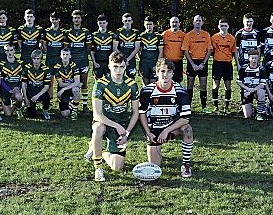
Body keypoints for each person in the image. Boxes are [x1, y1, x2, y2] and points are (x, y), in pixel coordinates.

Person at [139, 58, 194, 178]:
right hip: (154, 131)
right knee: (155, 168)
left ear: (173, 74)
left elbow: (185, 118)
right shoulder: (147, 90)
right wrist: (148, 133)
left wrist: (166, 130)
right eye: (162, 71)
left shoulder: (180, 91)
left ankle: (186, 164)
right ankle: (157, 151)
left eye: (169, 71)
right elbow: (142, 113)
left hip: (171, 128)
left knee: (187, 129)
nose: (165, 75)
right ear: (157, 72)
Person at [89, 52, 139, 182]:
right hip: (104, 121)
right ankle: (98, 167)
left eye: (121, 67)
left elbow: (135, 112)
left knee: (117, 167)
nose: (118, 70)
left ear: (125, 67)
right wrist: (116, 126)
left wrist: (126, 133)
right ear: (109, 66)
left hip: (122, 123)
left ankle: (99, 150)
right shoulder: (100, 84)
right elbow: (97, 114)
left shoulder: (132, 85)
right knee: (98, 129)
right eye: (115, 66)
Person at [181, 14, 212, 112]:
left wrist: (203, 63)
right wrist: (192, 64)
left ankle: (204, 107)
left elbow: (209, 51)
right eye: (196, 21)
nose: (198, 22)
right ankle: (188, 107)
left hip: (202, 61)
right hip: (192, 62)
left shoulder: (206, 34)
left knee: (203, 85)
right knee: (190, 85)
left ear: (202, 23)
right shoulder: (188, 35)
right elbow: (185, 51)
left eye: (200, 21)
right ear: (193, 22)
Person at [64, 10, 92, 112]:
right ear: (72, 19)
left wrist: (83, 55)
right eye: (75, 18)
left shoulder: (86, 32)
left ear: (81, 19)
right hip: (72, 62)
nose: (76, 19)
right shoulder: (68, 33)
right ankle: (72, 104)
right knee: (71, 82)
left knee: (84, 82)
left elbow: (88, 48)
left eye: (78, 18)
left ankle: (85, 105)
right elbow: (66, 48)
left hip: (83, 61)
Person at [210, 18, 236, 113]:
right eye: (222, 26)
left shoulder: (232, 38)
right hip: (217, 64)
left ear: (228, 26)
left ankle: (227, 106)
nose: (223, 27)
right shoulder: (214, 37)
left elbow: (234, 52)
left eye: (225, 25)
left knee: (228, 85)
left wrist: (236, 63)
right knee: (215, 85)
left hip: (227, 64)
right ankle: (216, 106)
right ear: (218, 26)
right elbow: (211, 51)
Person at [236, 49, 267, 121]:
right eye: (252, 58)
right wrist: (247, 89)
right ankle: (252, 109)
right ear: (248, 58)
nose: (254, 60)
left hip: (255, 91)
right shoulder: (243, 68)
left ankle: (259, 113)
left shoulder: (261, 69)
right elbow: (239, 82)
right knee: (247, 116)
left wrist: (251, 91)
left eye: (256, 58)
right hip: (246, 91)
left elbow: (262, 84)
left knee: (261, 92)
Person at [22, 49, 52, 120]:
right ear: (32, 59)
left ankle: (45, 110)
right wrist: (25, 99)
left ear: (41, 59)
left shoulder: (46, 69)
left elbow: (47, 86)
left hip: (40, 92)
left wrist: (37, 96)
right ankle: (29, 106)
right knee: (32, 115)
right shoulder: (27, 68)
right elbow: (23, 84)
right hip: (30, 92)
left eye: (38, 59)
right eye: (34, 58)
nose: (36, 61)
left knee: (47, 97)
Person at [53, 47, 81, 120]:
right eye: (63, 54)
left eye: (67, 54)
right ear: (60, 56)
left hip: (65, 89)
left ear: (70, 56)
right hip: (62, 88)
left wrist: (64, 89)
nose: (65, 56)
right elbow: (61, 84)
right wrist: (75, 84)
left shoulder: (74, 66)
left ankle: (74, 109)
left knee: (76, 90)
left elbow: (77, 81)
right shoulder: (57, 66)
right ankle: (71, 104)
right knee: (65, 114)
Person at [0, 43, 25, 118]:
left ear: (14, 51)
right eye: (7, 51)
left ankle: (18, 108)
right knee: (8, 114)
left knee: (19, 97)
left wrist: (18, 87)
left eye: (11, 50)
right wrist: (8, 89)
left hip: (15, 89)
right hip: (5, 90)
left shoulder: (20, 64)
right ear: (5, 52)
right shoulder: (1, 64)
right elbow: (0, 80)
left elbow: (22, 79)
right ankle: (4, 104)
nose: (9, 52)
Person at [113, 13, 141, 79]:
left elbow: (137, 48)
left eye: (129, 21)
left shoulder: (136, 32)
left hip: (131, 60)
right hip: (120, 59)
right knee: (119, 78)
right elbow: (115, 48)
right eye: (125, 21)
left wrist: (128, 59)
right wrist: (123, 59)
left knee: (131, 78)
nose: (127, 22)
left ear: (132, 21)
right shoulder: (118, 32)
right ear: (122, 21)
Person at [139, 16, 163, 85]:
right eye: (147, 24)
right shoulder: (141, 36)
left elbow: (161, 51)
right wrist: (142, 58)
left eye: (150, 24)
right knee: (145, 82)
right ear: (144, 24)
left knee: (153, 83)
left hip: (154, 62)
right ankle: (145, 95)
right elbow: (138, 50)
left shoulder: (158, 36)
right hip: (144, 63)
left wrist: (158, 63)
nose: (148, 26)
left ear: (153, 25)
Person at [162, 16, 186, 83]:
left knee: (177, 82)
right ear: (170, 23)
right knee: (166, 81)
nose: (174, 24)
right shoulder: (164, 34)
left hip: (178, 63)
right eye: (173, 22)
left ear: (179, 23)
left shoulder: (183, 35)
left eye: (176, 22)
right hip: (167, 62)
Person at [90, 14, 114, 79]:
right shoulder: (94, 35)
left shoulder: (111, 35)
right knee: (98, 81)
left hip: (108, 62)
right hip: (98, 62)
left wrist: (112, 62)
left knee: (109, 80)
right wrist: (94, 62)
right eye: (100, 23)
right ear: (97, 23)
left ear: (107, 23)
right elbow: (92, 51)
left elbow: (114, 50)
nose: (102, 25)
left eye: (104, 23)